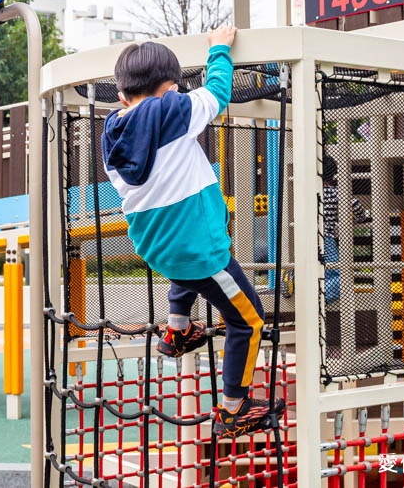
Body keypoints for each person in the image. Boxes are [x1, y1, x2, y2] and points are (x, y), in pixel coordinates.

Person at [101, 26, 285, 439]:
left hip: (156, 247)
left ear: (121, 95)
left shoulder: (111, 133)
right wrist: (219, 49)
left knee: (185, 271)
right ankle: (234, 410)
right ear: (169, 87)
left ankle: (178, 328)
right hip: (201, 252)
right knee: (249, 320)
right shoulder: (174, 110)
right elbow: (219, 93)